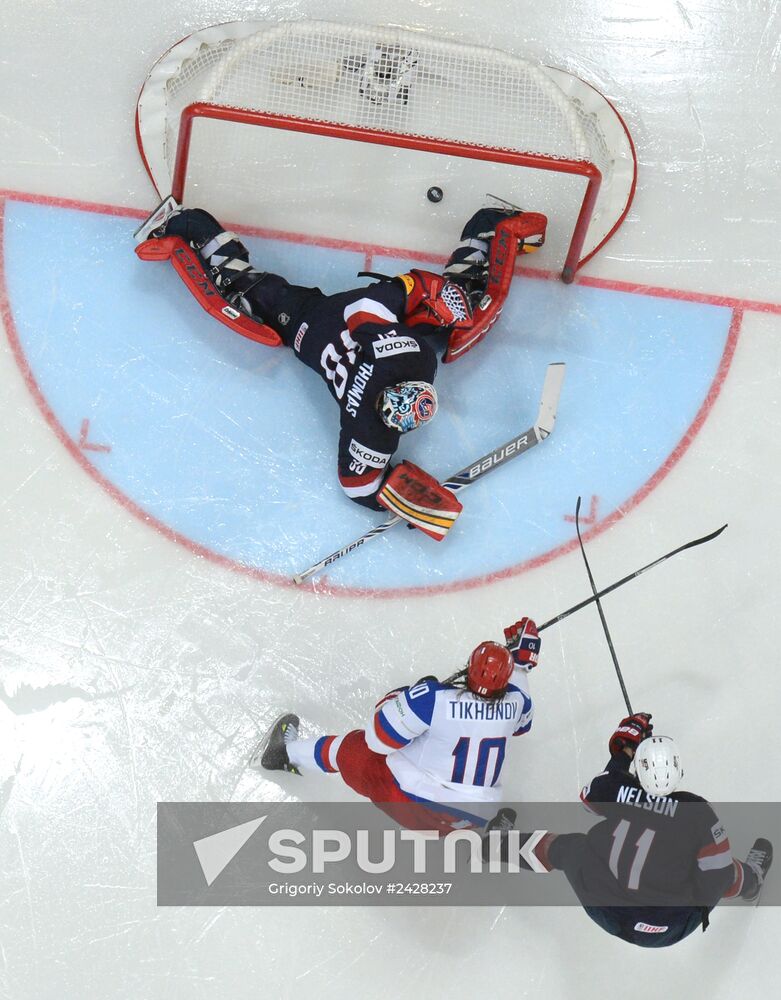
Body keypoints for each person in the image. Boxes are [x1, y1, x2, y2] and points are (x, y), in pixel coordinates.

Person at [134, 197, 546, 534]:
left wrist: (422, 290)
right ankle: (481, 240)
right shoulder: (377, 417)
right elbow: (358, 486)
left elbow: (358, 484)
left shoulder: (387, 397)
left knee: (257, 290)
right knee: (445, 316)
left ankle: (191, 226)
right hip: (323, 326)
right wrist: (400, 496)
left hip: (316, 322)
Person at [487, 712, 773, 948]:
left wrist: (626, 748)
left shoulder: (618, 789)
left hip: (602, 906)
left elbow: (591, 797)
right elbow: (717, 879)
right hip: (664, 929)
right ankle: (752, 883)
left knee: (567, 848)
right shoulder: (697, 813)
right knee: (721, 868)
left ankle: (495, 845)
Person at [251, 617, 540, 835]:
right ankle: (490, 836)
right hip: (466, 821)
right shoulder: (516, 704)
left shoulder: (433, 700)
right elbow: (521, 721)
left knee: (354, 748)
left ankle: (283, 754)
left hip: (413, 806)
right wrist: (522, 664)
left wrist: (397, 697)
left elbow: (378, 739)